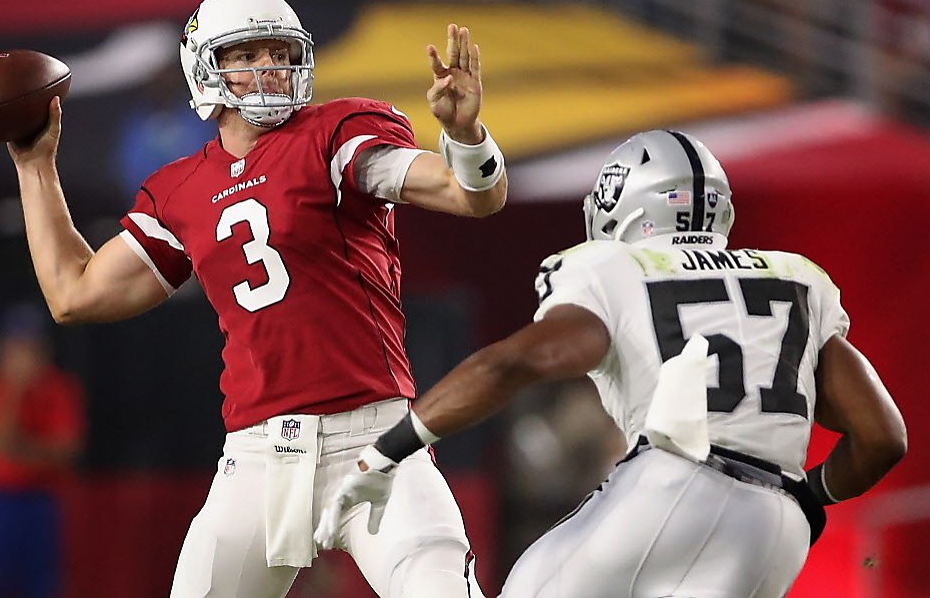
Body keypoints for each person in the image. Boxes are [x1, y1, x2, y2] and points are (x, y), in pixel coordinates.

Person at [6, 0, 505, 597]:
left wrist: (467, 136)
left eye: (281, 53)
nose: (270, 67)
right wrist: (35, 168)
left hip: (376, 441)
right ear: (205, 68)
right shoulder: (180, 189)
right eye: (249, 54)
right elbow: (73, 293)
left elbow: (469, 195)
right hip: (259, 454)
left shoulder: (335, 132)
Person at [318, 129, 908, 597]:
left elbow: (517, 364)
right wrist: (811, 495)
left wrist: (387, 449)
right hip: (775, 530)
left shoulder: (616, 267)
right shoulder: (794, 278)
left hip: (678, 482)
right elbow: (883, 437)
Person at [0, 303, 85, 598]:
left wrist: (21, 452)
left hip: (41, 500)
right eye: (16, 347)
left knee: (43, 585)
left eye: (30, 348)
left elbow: (67, 450)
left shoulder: (60, 389)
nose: (24, 357)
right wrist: (14, 391)